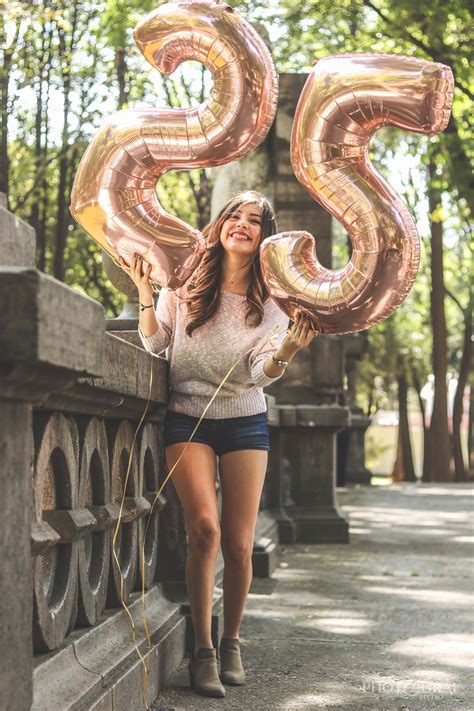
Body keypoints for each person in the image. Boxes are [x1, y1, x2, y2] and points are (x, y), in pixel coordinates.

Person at [123, 190, 317, 699]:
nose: (243, 225)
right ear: (222, 223)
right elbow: (157, 344)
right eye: (235, 215)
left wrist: (288, 351)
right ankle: (202, 650)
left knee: (238, 540)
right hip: (187, 417)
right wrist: (146, 293)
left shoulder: (273, 302)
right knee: (204, 529)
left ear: (264, 237)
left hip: (245, 421)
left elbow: (261, 373)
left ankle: (231, 642)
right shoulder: (186, 278)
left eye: (255, 221)